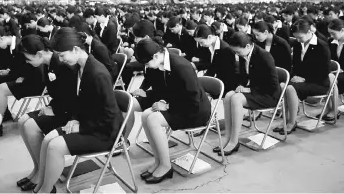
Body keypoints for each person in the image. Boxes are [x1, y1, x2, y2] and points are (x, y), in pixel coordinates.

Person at [32, 27, 123, 193]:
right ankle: (42, 185)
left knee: (55, 147)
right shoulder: (77, 68)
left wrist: (82, 126)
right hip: (88, 122)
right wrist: (74, 118)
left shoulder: (98, 73)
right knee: (47, 140)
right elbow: (77, 101)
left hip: (104, 132)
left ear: (75, 50)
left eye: (61, 55)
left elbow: (109, 115)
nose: (59, 60)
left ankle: (44, 190)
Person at [135, 39, 211, 184]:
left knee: (153, 119)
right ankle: (159, 161)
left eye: (146, 63)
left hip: (195, 111)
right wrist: (163, 101)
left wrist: (168, 106)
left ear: (156, 56)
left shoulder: (182, 66)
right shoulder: (162, 63)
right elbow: (165, 90)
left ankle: (165, 166)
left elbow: (193, 99)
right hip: (179, 105)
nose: (146, 67)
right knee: (146, 114)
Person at [16, 33, 77, 191]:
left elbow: (72, 96)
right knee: (23, 121)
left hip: (70, 113)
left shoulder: (62, 63)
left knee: (30, 126)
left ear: (39, 54)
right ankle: (37, 169)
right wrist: (50, 106)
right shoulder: (50, 63)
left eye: (28, 59)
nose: (28, 63)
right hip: (60, 107)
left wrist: (55, 109)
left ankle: (43, 176)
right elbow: (57, 93)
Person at [213, 32, 281, 156]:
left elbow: (272, 86)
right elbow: (245, 77)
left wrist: (250, 89)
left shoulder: (264, 56)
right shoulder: (246, 54)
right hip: (256, 90)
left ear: (248, 46)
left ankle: (234, 141)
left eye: (238, 52)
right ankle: (227, 137)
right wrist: (242, 85)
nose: (236, 55)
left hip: (269, 95)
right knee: (228, 96)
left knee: (237, 99)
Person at [274, 19, 330, 135]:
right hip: (302, 81)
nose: (298, 40)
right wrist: (294, 77)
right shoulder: (298, 44)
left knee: (289, 88)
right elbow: (295, 65)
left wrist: (305, 79)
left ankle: (292, 121)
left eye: (300, 37)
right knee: (283, 85)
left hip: (319, 83)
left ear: (309, 32)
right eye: (296, 38)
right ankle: (286, 119)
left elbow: (324, 71)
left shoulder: (322, 46)